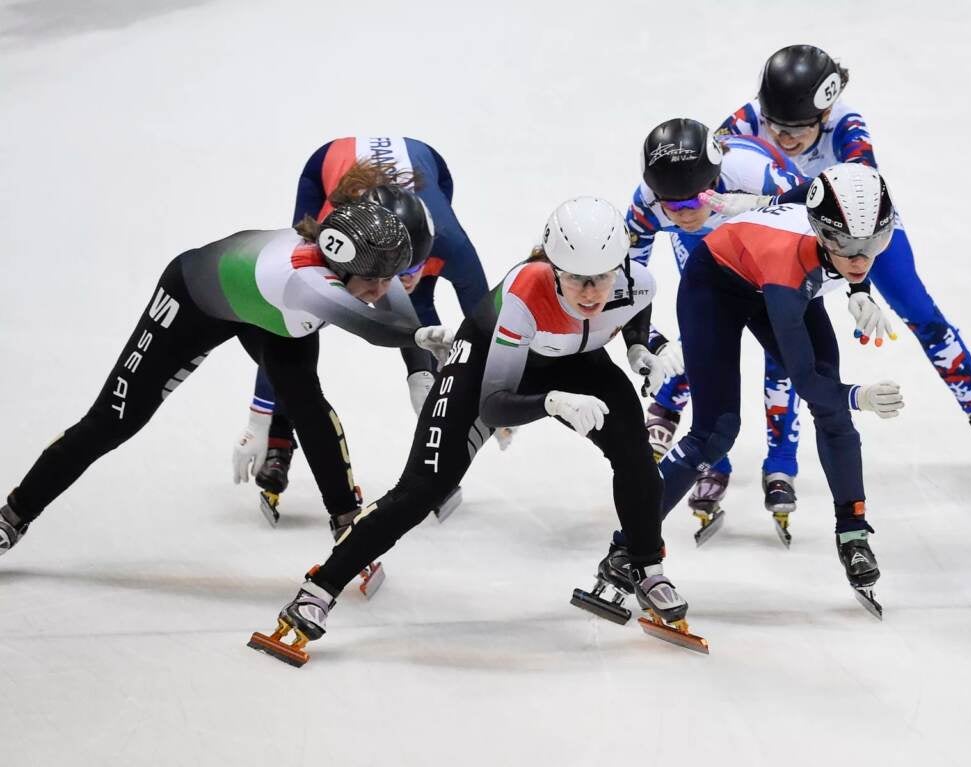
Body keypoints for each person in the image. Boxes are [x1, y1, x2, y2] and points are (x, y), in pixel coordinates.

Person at [247, 197, 707, 667]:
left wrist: (638, 352)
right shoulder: (525, 294)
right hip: (487, 367)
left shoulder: (638, 282)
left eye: (601, 279)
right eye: (574, 279)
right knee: (423, 488)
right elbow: (494, 404)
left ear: (621, 266)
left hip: (578, 362)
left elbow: (631, 311)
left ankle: (643, 564)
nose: (590, 294)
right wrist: (551, 403)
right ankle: (318, 590)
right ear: (552, 267)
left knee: (636, 458)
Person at [0, 199, 454, 560]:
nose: (381, 290)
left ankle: (347, 522)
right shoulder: (304, 281)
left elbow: (391, 304)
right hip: (194, 301)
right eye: (375, 282)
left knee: (306, 404)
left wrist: (418, 368)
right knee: (114, 420)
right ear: (342, 265)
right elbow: (371, 325)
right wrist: (415, 336)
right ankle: (13, 515)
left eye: (387, 278)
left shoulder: (362, 262)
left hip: (265, 313)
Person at [614, 163, 903, 619]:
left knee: (835, 419)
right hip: (718, 285)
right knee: (715, 431)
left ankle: (854, 533)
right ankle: (627, 545)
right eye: (846, 246)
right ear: (821, 231)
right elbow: (807, 382)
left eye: (874, 245)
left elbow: (849, 231)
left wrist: (859, 290)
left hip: (777, 269)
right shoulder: (788, 275)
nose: (860, 259)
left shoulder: (837, 213)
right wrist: (857, 395)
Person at [716, 44, 971, 465]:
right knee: (785, 338)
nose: (783, 138)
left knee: (920, 310)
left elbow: (859, 200)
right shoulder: (746, 120)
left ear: (825, 115)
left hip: (862, 223)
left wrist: (860, 287)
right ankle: (781, 461)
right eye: (774, 126)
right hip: (792, 232)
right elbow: (704, 176)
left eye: (796, 130)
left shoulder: (848, 124)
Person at [233, 137, 490, 524]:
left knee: (416, 303)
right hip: (326, 168)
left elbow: (482, 322)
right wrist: (261, 415)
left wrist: (486, 388)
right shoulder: (331, 231)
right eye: (387, 271)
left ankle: (435, 438)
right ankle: (279, 439)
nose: (391, 284)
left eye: (409, 268)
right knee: (302, 314)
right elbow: (280, 319)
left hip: (427, 163)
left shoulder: (451, 243)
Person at [627, 117, 814, 546]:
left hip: (769, 233)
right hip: (713, 251)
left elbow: (817, 219)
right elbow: (627, 282)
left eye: (694, 203)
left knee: (784, 348)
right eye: (672, 208)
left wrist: (855, 290)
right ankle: (714, 461)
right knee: (706, 346)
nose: (685, 214)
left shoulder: (755, 173)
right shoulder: (645, 204)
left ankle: (781, 461)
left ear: (716, 180)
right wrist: (646, 343)